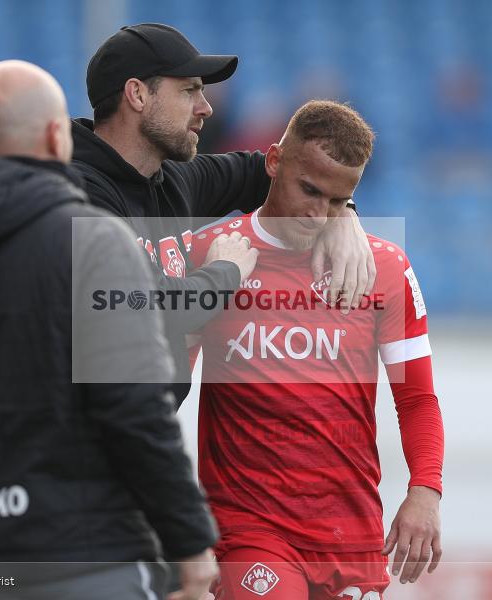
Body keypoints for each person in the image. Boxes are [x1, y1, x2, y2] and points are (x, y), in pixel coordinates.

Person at [0, 60, 217, 600]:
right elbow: (135, 410)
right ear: (57, 136)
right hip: (91, 561)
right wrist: (190, 543)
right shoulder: (96, 246)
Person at [187, 101, 444, 599]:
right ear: (274, 161)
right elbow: (162, 389)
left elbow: (416, 398)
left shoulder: (384, 269)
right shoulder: (213, 255)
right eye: (308, 190)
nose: (316, 213)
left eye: (336, 200)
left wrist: (425, 490)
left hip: (350, 535)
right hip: (249, 529)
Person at [70, 23, 376, 404]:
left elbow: (280, 172)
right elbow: (146, 306)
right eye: (189, 91)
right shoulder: (76, 194)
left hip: (136, 435)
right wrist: (225, 272)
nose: (206, 107)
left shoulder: (170, 179)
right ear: (137, 95)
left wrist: (344, 213)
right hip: (77, 445)